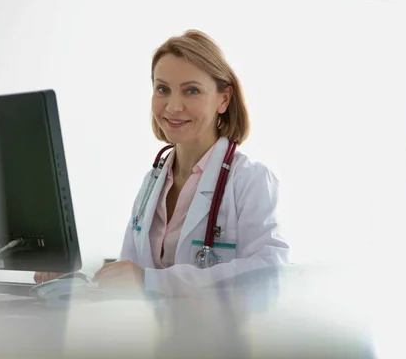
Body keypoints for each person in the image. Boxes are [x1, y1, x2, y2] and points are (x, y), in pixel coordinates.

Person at [35, 30, 289, 295]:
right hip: (152, 333)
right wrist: (75, 278)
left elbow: (269, 269)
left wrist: (152, 281)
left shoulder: (250, 180)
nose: (173, 106)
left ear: (223, 99)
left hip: (220, 334)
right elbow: (129, 272)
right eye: (162, 89)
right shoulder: (154, 181)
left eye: (192, 90)